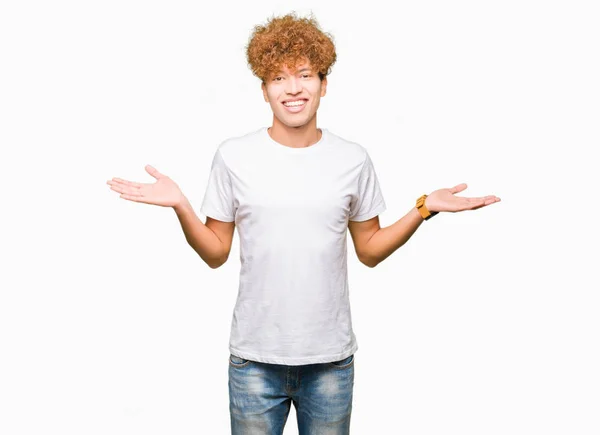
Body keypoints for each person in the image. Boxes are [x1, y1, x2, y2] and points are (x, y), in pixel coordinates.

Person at [106, 12, 500, 435]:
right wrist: (181, 205)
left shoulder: (353, 159)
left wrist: (423, 209)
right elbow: (216, 252)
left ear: (323, 84)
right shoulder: (233, 156)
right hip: (255, 360)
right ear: (263, 90)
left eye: (305, 75)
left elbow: (369, 250)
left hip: (330, 362)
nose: (292, 88)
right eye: (278, 78)